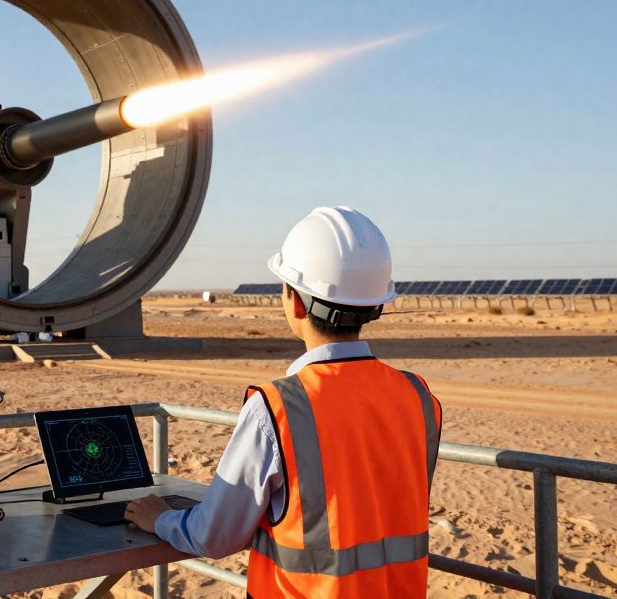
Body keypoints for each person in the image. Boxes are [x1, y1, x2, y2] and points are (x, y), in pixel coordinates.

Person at [126, 207, 442, 598]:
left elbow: (216, 535)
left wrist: (160, 519)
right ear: (376, 305)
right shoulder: (417, 396)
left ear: (293, 301)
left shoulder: (278, 407)